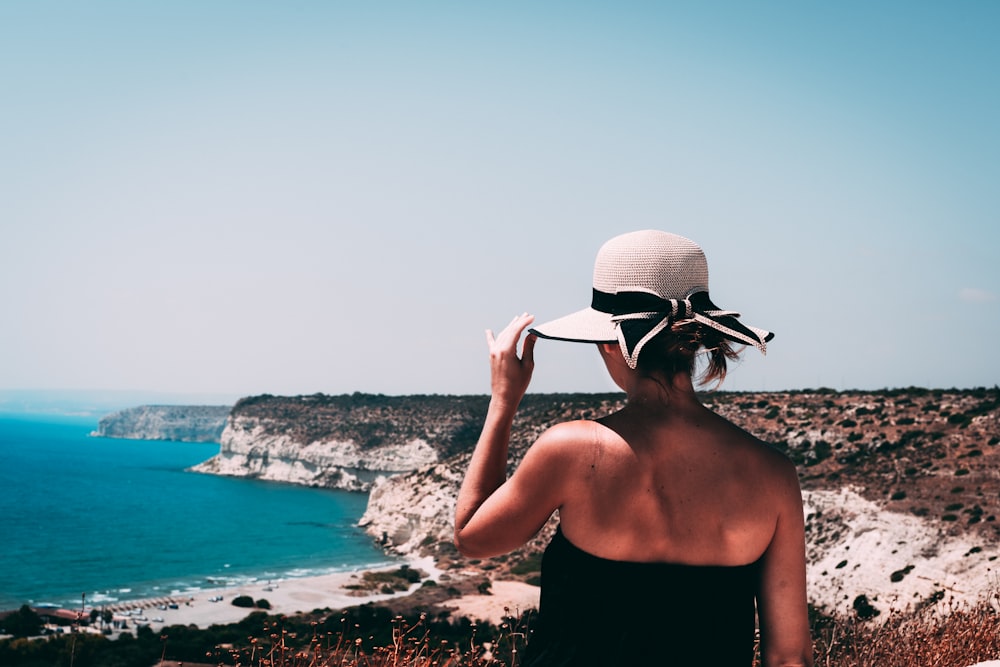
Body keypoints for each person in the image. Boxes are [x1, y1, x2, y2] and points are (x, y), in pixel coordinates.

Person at [454, 230, 813, 666]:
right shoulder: (773, 473)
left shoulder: (573, 449)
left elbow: (473, 537)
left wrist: (503, 400)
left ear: (609, 342)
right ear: (698, 340)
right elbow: (790, 657)